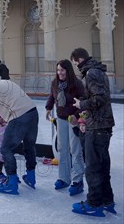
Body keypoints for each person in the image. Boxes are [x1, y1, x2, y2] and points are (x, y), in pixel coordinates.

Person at [70, 47, 116, 217]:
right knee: (102, 165)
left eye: (75, 64)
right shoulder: (97, 72)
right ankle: (106, 199)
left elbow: (100, 98)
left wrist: (81, 105)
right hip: (100, 124)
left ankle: (94, 203)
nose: (76, 67)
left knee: (94, 167)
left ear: (79, 60)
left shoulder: (91, 73)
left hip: (97, 127)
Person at [0, 75, 39, 195]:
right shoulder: (3, 82)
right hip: (33, 112)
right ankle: (31, 177)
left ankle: (11, 183)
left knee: (6, 149)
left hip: (19, 116)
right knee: (29, 146)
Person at [45, 59, 85, 195]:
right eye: (58, 70)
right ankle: (64, 178)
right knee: (62, 149)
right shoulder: (55, 83)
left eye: (62, 70)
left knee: (75, 150)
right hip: (61, 119)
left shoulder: (77, 84)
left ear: (68, 70)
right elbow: (52, 96)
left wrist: (77, 115)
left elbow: (84, 102)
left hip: (74, 119)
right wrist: (48, 108)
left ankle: (77, 181)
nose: (59, 73)